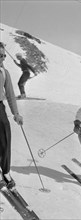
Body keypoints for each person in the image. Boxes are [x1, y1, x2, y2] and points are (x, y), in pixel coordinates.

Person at [0, 43, 23, 189]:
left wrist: (16, 113)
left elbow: (10, 94)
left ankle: (6, 171)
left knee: (5, 139)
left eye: (3, 56)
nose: (2, 58)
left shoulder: (4, 72)